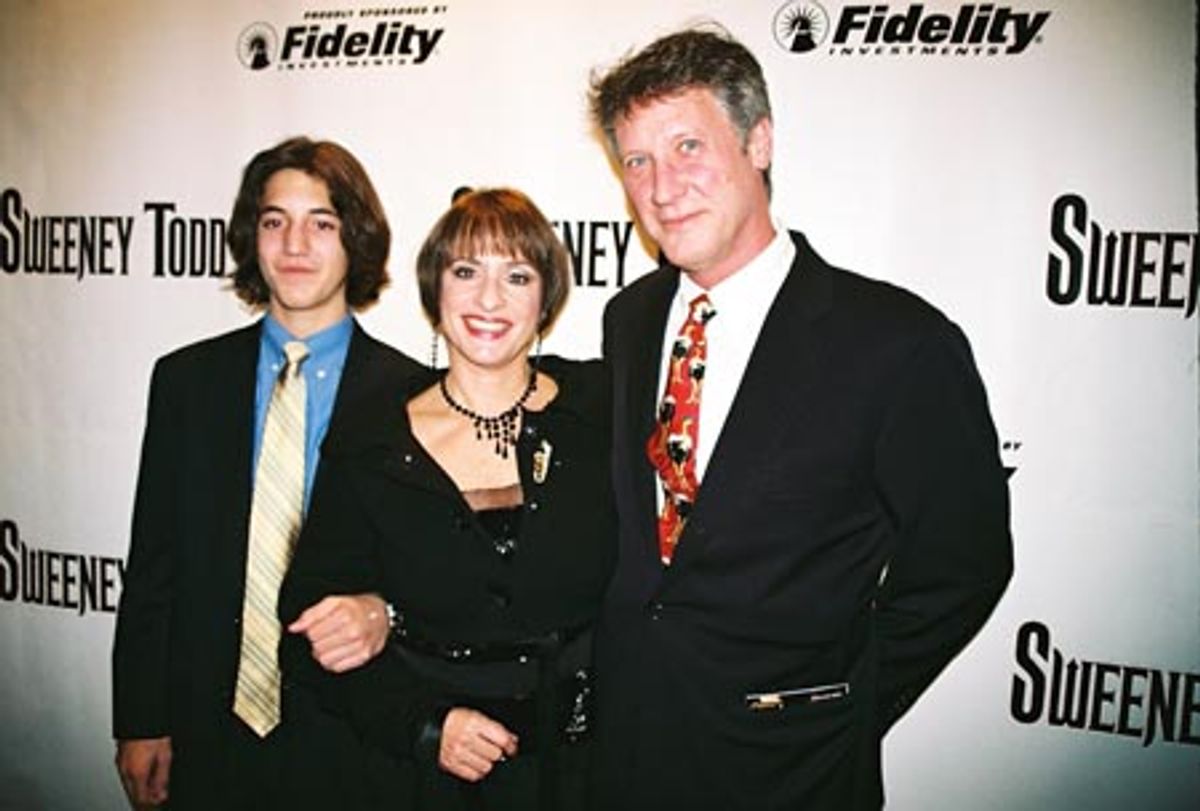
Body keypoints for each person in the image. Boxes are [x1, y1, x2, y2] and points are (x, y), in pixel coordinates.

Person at [588, 26, 1013, 809]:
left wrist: (837, 703)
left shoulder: (897, 342)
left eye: (687, 147)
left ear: (759, 141)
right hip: (624, 752)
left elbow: (966, 562)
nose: (660, 186)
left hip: (792, 774)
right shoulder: (629, 317)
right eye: (637, 161)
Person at [111, 136, 424, 809]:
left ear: (357, 239)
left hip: (356, 736)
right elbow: (154, 562)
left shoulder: (414, 397)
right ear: (252, 236)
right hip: (205, 730)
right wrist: (141, 718)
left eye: (322, 222)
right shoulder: (186, 383)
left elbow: (435, 577)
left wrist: (385, 611)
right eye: (275, 221)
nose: (295, 244)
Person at [279, 187, 614, 811]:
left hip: (582, 777)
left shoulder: (599, 409)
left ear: (547, 299)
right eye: (466, 272)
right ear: (436, 291)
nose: (490, 299)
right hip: (426, 784)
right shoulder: (372, 438)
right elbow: (308, 633)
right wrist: (425, 727)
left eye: (517, 275)